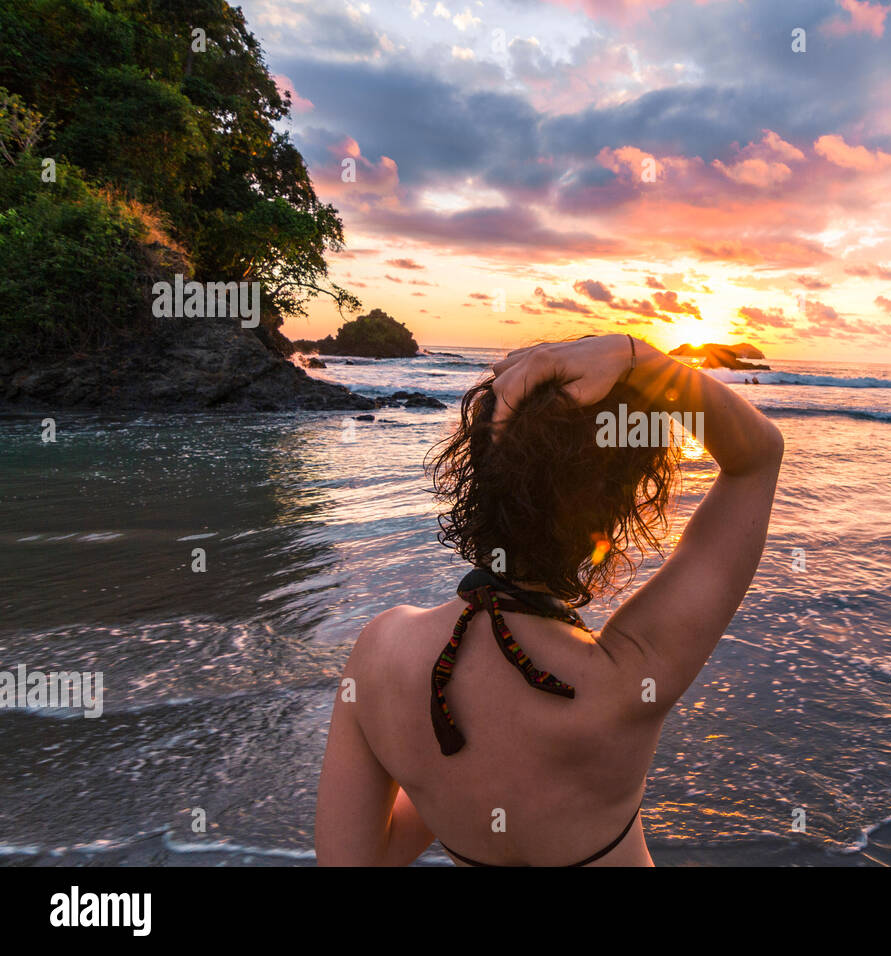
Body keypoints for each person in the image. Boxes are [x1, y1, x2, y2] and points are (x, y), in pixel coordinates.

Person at [315, 333, 783, 865]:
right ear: (620, 505)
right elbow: (757, 457)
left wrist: (451, 779)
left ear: (476, 468)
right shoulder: (628, 676)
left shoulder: (380, 654)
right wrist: (641, 358)